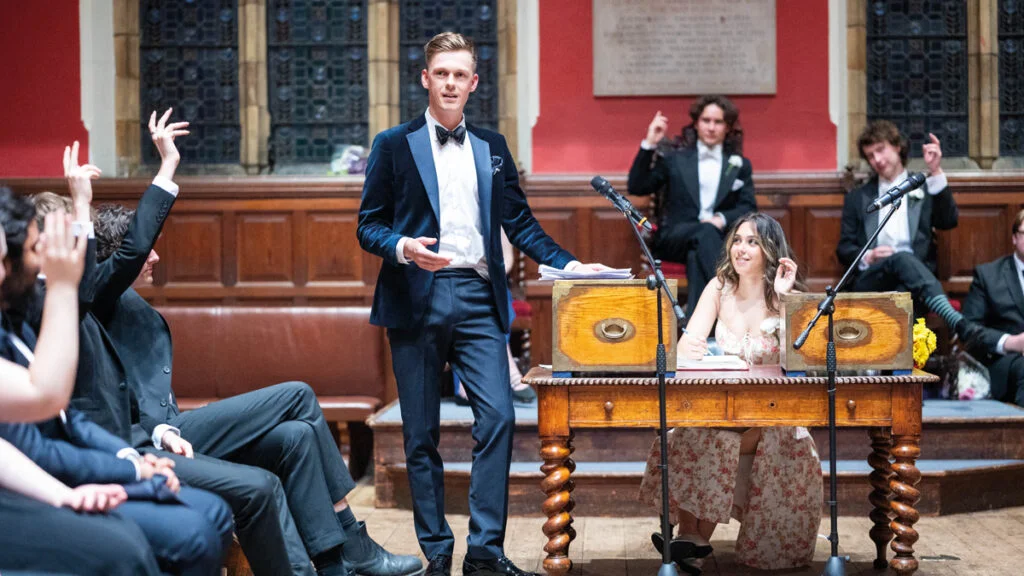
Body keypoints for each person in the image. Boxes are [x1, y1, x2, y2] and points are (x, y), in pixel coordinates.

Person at [357, 31, 608, 576]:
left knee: (497, 417)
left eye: (460, 75)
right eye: (440, 73)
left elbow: (520, 222)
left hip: (476, 294)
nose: (450, 83)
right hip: (415, 294)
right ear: (425, 79)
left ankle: (485, 552)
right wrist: (403, 246)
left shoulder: (492, 146)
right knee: (420, 433)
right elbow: (368, 226)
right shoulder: (393, 144)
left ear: (474, 82)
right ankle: (436, 551)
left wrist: (569, 265)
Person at [92, 204, 424, 576]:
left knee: (296, 436)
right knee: (298, 394)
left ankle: (333, 564)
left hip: (175, 429)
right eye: (144, 248)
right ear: (120, 256)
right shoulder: (98, 297)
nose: (155, 256)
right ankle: (354, 541)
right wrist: (162, 173)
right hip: (152, 439)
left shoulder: (129, 300)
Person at [637, 213, 821, 574]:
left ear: (771, 250)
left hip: (774, 416)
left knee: (714, 438)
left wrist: (785, 299)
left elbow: (808, 361)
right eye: (737, 240)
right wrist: (689, 347)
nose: (741, 248)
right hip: (723, 406)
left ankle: (690, 539)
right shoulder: (719, 287)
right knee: (689, 432)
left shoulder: (789, 297)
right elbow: (687, 343)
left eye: (752, 242)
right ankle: (691, 540)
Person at [0, 204, 164, 576]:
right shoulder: (39, 304)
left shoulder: (13, 319)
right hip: (27, 493)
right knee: (128, 549)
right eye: (34, 248)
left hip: (51, 475)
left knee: (160, 531)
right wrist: (131, 470)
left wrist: (65, 495)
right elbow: (47, 399)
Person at [838, 120, 980, 344]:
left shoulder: (922, 186)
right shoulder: (859, 197)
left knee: (904, 292)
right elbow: (844, 248)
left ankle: (895, 362)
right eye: (870, 156)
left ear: (897, 146)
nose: (877, 160)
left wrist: (935, 171)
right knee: (901, 259)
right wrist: (869, 256)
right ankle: (957, 323)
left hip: (914, 281)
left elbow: (948, 221)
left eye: (880, 150)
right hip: (873, 278)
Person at [627, 95, 757, 315]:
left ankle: (696, 328)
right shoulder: (675, 159)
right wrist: (649, 143)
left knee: (696, 255)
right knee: (704, 233)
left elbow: (748, 207)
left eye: (718, 122)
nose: (711, 127)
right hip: (674, 238)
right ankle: (734, 302)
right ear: (696, 123)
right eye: (706, 120)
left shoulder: (739, 164)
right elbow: (637, 186)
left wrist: (720, 219)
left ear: (727, 127)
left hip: (713, 241)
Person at [960, 208, 1024, 406]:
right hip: (1005, 361)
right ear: (1014, 238)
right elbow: (968, 329)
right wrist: (1010, 342)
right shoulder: (988, 276)